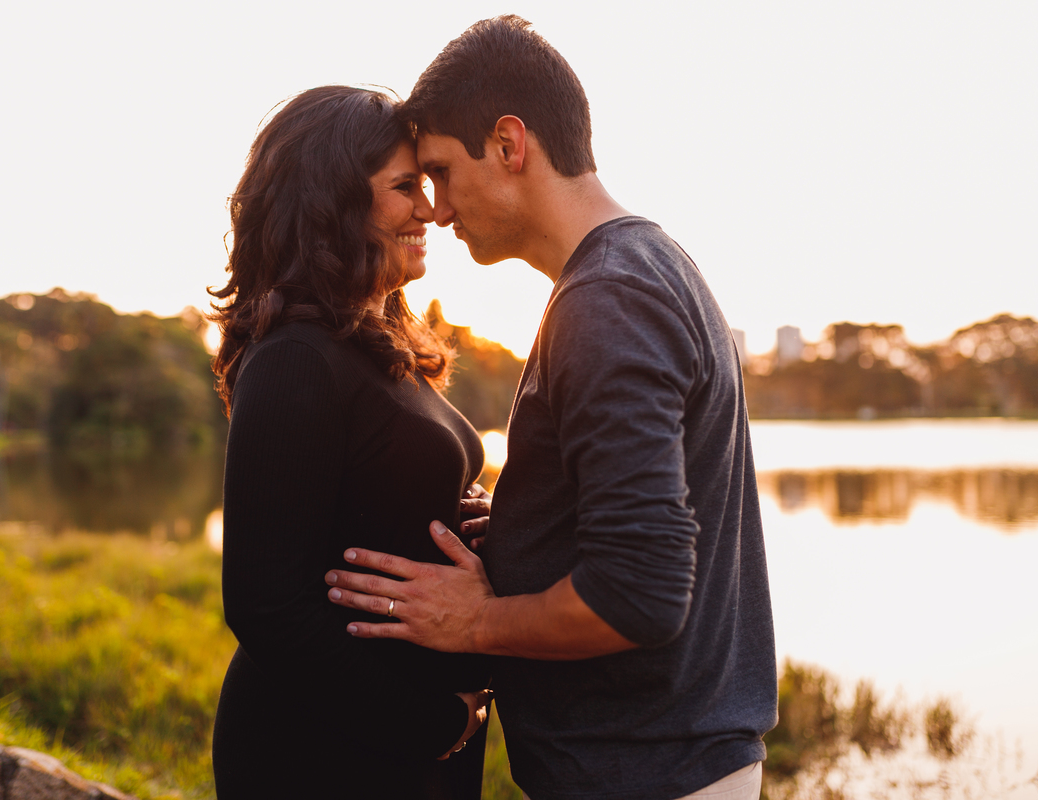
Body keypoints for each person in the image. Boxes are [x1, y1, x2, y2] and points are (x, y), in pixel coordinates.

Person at [324, 17, 777, 800]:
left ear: (508, 144)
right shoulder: (642, 267)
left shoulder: (611, 300)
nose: (433, 209)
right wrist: (523, 532)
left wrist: (473, 623)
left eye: (438, 171)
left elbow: (636, 595)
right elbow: (649, 534)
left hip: (645, 775)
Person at [208, 85, 492, 800]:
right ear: (332, 200)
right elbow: (265, 603)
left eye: (425, 184)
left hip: (407, 745)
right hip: (324, 753)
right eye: (405, 188)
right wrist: (429, 724)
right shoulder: (296, 358)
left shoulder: (377, 347)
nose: (429, 208)